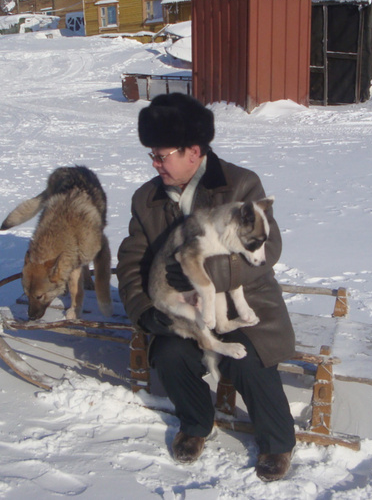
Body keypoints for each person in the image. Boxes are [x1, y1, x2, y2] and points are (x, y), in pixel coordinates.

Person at [116, 93, 296, 482]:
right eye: (152, 155)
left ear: (193, 151)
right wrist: (144, 310)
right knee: (168, 354)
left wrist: (212, 279)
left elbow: (270, 245)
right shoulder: (146, 199)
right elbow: (132, 261)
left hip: (244, 302)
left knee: (249, 358)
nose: (155, 163)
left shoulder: (241, 184)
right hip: (184, 307)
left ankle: (278, 441)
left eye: (162, 155)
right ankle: (197, 424)